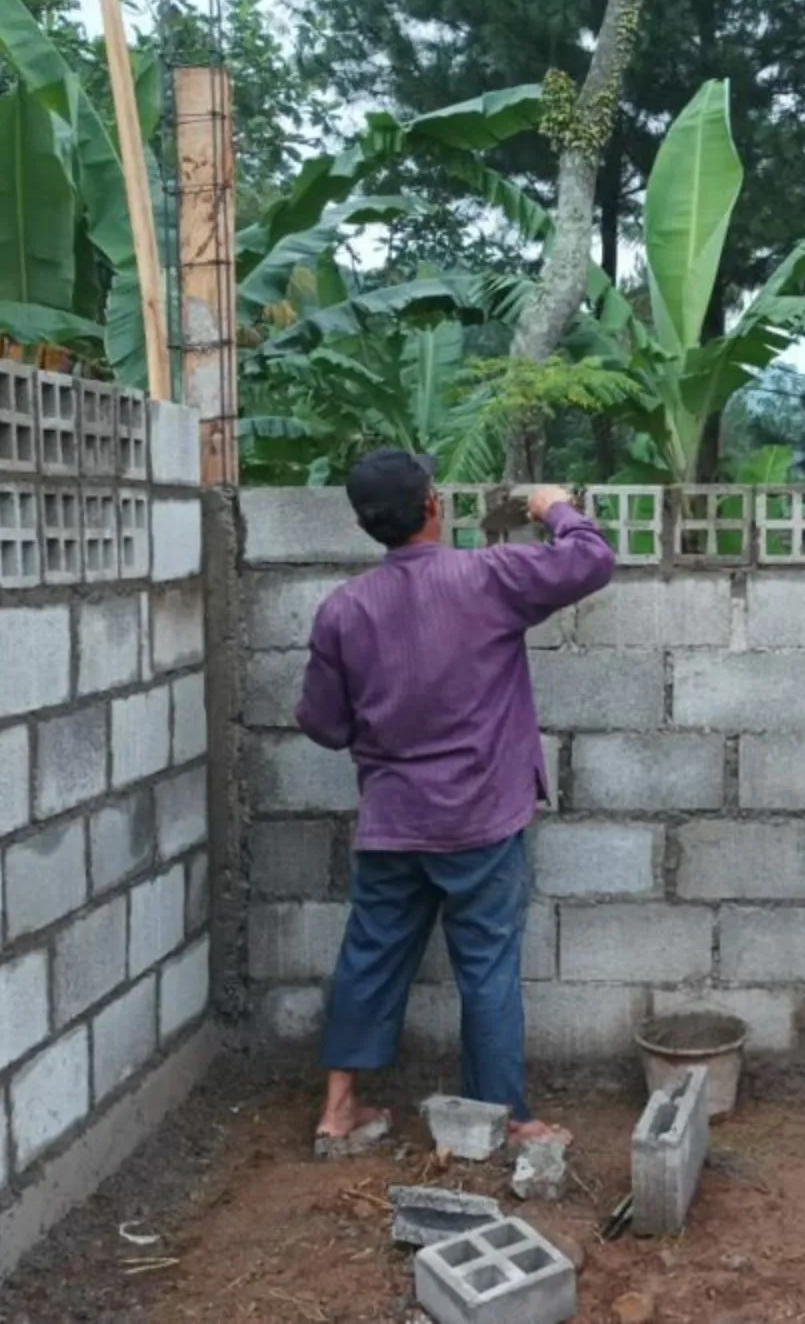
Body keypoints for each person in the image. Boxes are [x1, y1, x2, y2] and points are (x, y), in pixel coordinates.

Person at [294, 449, 615, 1151]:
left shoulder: (343, 609)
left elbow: (319, 722)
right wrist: (552, 505)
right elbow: (590, 558)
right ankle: (505, 1120)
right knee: (487, 971)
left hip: (393, 822)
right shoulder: (487, 576)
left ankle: (339, 1110)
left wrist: (373, 729)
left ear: (364, 524)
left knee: (370, 959)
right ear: (434, 505)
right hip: (480, 819)